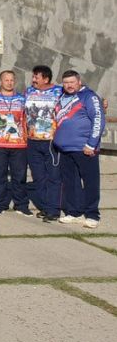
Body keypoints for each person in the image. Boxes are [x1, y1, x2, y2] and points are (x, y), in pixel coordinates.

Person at [54, 70, 103, 229]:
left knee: (90, 182)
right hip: (65, 149)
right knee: (70, 182)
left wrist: (91, 144)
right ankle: (74, 212)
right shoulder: (62, 97)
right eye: (66, 82)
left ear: (79, 81)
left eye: (72, 82)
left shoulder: (89, 96)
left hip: (84, 148)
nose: (68, 85)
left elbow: (98, 120)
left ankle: (92, 214)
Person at [0, 71, 30, 215]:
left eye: (11, 80)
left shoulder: (22, 99)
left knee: (19, 176)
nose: (9, 82)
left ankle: (21, 205)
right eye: (6, 80)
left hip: (19, 144)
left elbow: (28, 119)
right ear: (1, 81)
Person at [24, 65, 63, 222]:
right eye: (33, 76)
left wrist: (103, 102)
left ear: (46, 79)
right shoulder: (29, 91)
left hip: (51, 141)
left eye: (36, 77)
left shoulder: (59, 91)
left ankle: (53, 210)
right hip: (33, 140)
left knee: (53, 176)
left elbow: (81, 93)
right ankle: (45, 207)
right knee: (38, 177)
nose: (33, 80)